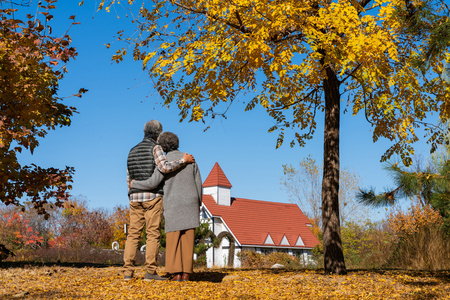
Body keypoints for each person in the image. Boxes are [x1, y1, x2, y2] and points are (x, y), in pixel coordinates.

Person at [124, 120, 194, 281]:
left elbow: (128, 177)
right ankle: (150, 272)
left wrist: (131, 192)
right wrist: (183, 160)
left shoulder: (132, 150)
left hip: (134, 198)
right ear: (158, 134)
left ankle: (128, 272)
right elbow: (164, 167)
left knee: (133, 234)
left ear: (144, 131)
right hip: (152, 197)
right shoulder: (156, 148)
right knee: (152, 234)